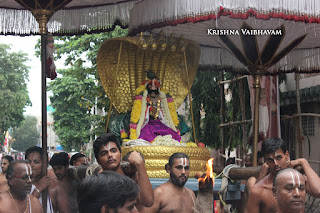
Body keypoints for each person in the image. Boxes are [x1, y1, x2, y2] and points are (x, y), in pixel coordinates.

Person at [245, 137, 320, 213]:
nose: (276, 163)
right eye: (270, 160)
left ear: (286, 155)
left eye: (279, 158)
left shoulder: (298, 182)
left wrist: (304, 162)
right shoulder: (259, 190)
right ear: (266, 161)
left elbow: (318, 191)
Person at [93, 133, 154, 210]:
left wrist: (140, 165)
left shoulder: (134, 178)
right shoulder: (98, 183)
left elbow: (148, 202)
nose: (110, 155)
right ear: (98, 161)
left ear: (121, 155)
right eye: (104, 153)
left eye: (114, 151)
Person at [129, 70, 180, 142]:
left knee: (172, 135)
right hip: (148, 123)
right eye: (151, 84)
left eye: (155, 84)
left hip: (160, 122)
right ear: (147, 86)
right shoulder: (143, 96)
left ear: (158, 86)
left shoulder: (162, 96)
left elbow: (167, 113)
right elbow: (139, 112)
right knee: (144, 136)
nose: (153, 86)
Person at [25, 146, 69, 213]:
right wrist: (38, 189)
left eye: (36, 162)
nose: (32, 165)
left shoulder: (55, 187)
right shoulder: (21, 185)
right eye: (28, 162)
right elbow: (24, 208)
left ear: (45, 164)